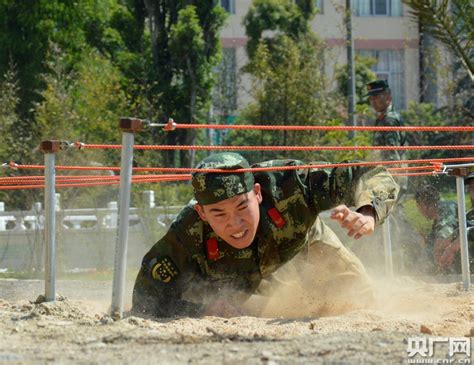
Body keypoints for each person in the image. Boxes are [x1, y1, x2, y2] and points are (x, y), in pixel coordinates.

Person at [132, 152, 399, 317]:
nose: (235, 224)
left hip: (307, 247)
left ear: (257, 193)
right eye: (219, 214)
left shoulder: (290, 184)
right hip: (245, 286)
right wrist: (202, 311)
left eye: (242, 206)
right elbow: (146, 300)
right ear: (202, 214)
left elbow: (374, 174)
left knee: (363, 299)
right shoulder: (188, 233)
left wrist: (367, 212)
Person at [415, 184, 473, 273]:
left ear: (423, 205)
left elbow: (446, 229)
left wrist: (440, 243)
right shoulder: (436, 222)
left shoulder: (447, 206)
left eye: (418, 207)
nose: (419, 211)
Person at [367, 80, 407, 193]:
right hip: (385, 176)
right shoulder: (384, 118)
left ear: (387, 97)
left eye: (376, 97)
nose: (373, 101)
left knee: (393, 209)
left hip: (391, 177)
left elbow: (392, 153)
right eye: (371, 98)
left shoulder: (389, 120)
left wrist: (391, 179)